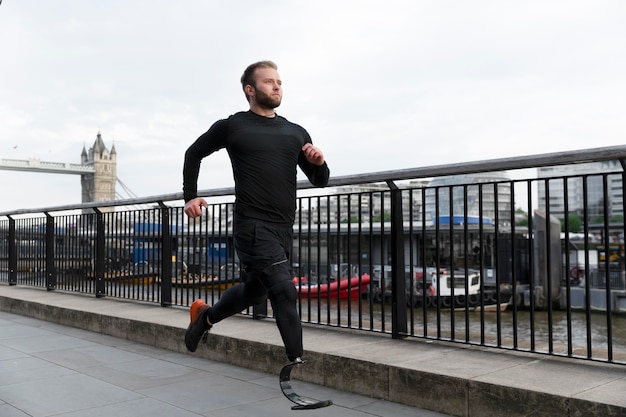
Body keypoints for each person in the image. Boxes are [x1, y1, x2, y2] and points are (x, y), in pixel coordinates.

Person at [182, 60, 330, 362]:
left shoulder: (295, 132)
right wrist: (191, 197)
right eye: (268, 82)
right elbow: (193, 153)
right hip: (252, 225)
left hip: (283, 228)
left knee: (255, 293)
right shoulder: (233, 126)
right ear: (250, 90)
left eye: (279, 81)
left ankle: (204, 318)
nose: (277, 86)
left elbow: (320, 180)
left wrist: (319, 164)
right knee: (285, 291)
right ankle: (295, 365)